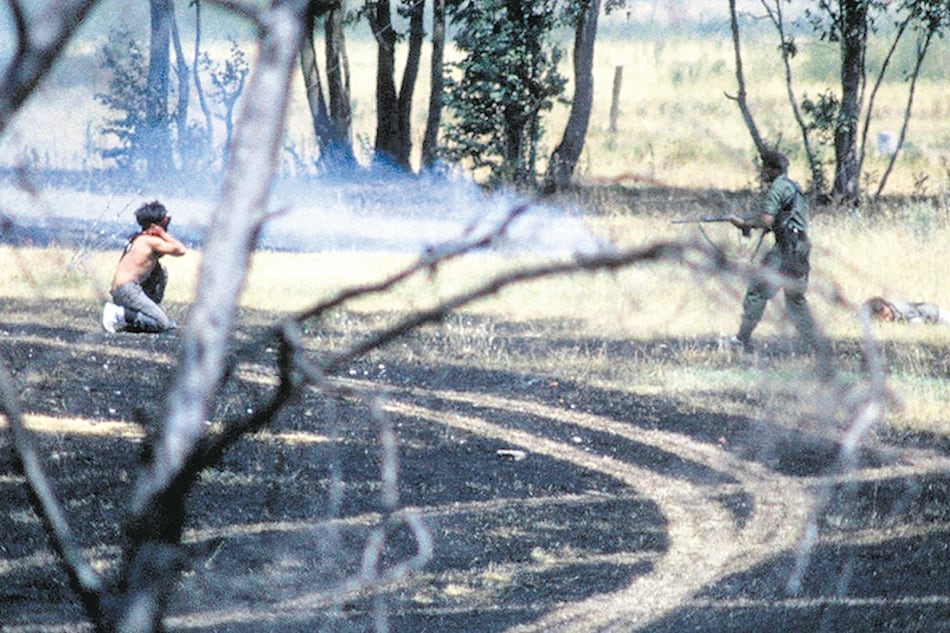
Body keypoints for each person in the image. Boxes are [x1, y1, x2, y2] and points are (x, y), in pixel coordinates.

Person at [726, 150, 818, 353]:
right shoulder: (793, 187)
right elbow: (785, 219)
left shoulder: (777, 188)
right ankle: (815, 344)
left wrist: (744, 223)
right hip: (801, 247)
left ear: (773, 170)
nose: (763, 172)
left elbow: (767, 220)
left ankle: (741, 339)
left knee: (757, 291)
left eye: (765, 168)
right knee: (795, 297)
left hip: (785, 249)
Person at [102, 201, 187, 333]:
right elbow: (181, 250)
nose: (167, 221)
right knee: (161, 324)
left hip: (122, 290)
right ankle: (120, 313)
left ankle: (139, 315)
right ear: (155, 225)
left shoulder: (139, 239)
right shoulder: (150, 241)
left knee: (160, 271)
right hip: (128, 290)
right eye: (164, 219)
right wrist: (163, 234)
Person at [862, 296, 950, 325]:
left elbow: (917, 321)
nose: (887, 320)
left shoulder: (901, 310)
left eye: (887, 316)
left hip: (937, 316)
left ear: (886, 306)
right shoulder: (893, 309)